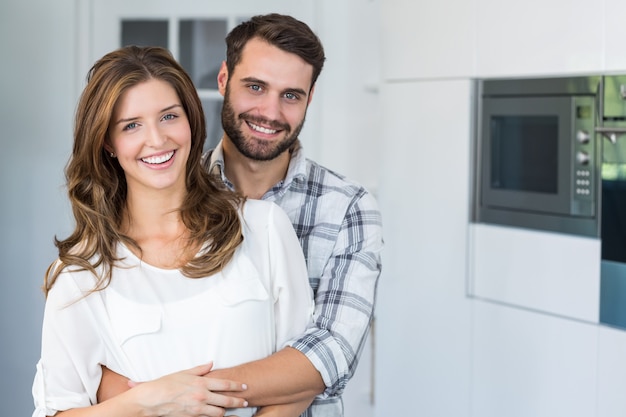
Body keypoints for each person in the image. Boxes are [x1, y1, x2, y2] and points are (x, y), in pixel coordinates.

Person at [99, 13, 384, 417]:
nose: (270, 111)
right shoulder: (160, 185)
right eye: (255, 87)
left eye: (291, 95)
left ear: (310, 98)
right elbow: (105, 353)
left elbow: (329, 354)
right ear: (223, 80)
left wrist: (182, 396)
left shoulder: (349, 208)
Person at [31, 44, 317, 417]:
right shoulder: (80, 276)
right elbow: (56, 410)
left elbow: (302, 378)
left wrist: (193, 393)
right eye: (131, 125)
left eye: (169, 116)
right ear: (108, 143)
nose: (157, 139)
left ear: (191, 120)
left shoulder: (263, 228)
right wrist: (146, 401)